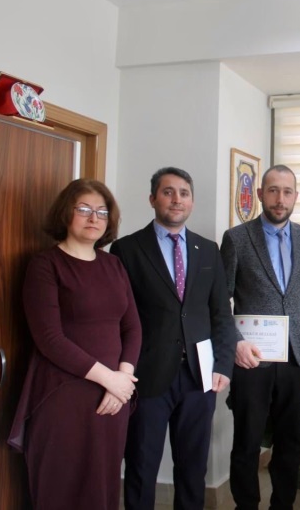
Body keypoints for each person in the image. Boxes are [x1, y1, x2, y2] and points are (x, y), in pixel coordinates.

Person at [8, 179, 142, 509]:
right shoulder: (45, 265)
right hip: (63, 395)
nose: (93, 218)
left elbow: (133, 327)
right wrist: (110, 379)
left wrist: (123, 380)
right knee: (62, 488)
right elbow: (50, 339)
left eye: (102, 211)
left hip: (113, 400)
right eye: (83, 209)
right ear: (65, 214)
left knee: (103, 488)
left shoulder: (113, 265)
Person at [111, 167, 236, 509]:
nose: (176, 199)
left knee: (193, 469)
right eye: (168, 192)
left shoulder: (208, 250)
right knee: (141, 466)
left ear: (192, 201)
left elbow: (220, 314)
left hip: (199, 375)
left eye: (184, 193)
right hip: (146, 374)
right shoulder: (126, 249)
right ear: (152, 198)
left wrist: (224, 364)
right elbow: (119, 317)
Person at [221, 164, 300, 509]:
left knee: (290, 442)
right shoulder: (236, 238)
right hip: (252, 358)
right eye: (273, 190)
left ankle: (283, 504)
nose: (280, 198)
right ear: (261, 194)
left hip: (296, 357)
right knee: (247, 441)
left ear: (295, 197)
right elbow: (219, 299)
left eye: (287, 191)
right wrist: (235, 342)